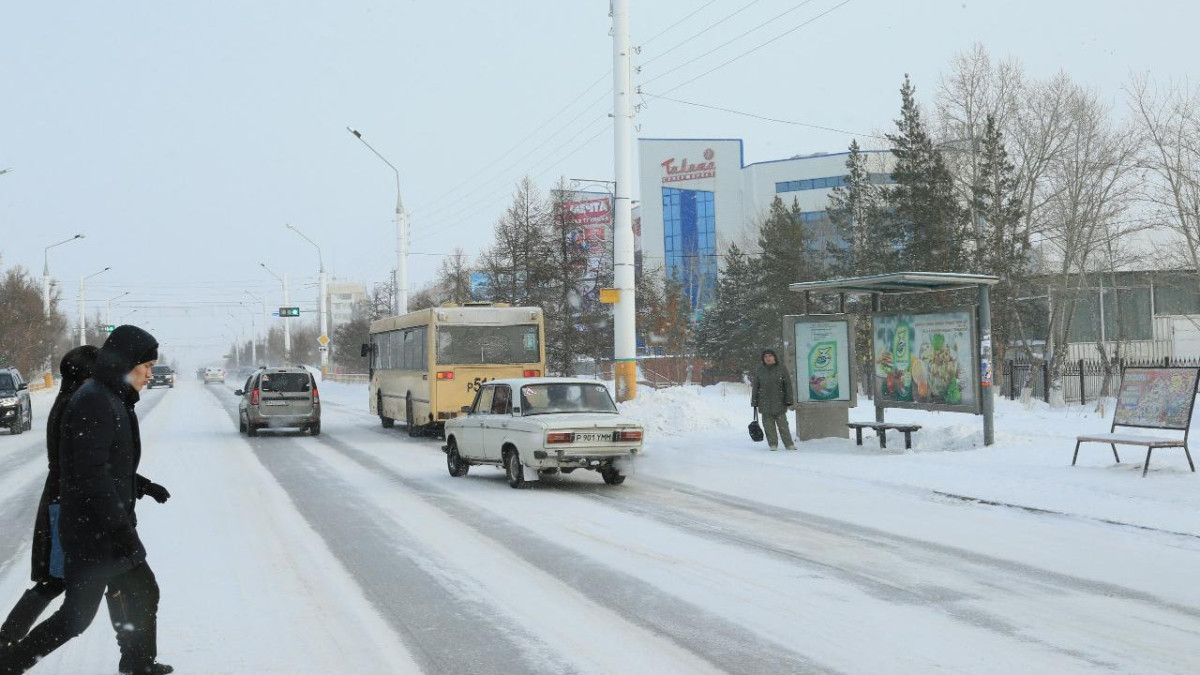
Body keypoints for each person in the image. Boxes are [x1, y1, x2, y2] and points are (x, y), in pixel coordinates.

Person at [0, 326, 173, 675]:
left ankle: (138, 663)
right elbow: (90, 475)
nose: (151, 374)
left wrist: (141, 486)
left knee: (142, 590)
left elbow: (106, 465)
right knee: (75, 617)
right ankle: (8, 664)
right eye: (148, 366)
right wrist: (119, 529)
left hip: (103, 527)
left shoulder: (109, 397)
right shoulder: (94, 400)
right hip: (95, 531)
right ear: (128, 362)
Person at [751, 349, 796, 451]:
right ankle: (773, 444)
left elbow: (787, 385)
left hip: (779, 402)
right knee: (768, 427)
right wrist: (754, 401)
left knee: (783, 426)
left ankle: (789, 444)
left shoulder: (781, 368)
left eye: (770, 356)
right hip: (764, 403)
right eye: (765, 356)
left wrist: (789, 399)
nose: (768, 358)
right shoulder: (760, 370)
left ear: (774, 357)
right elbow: (756, 387)